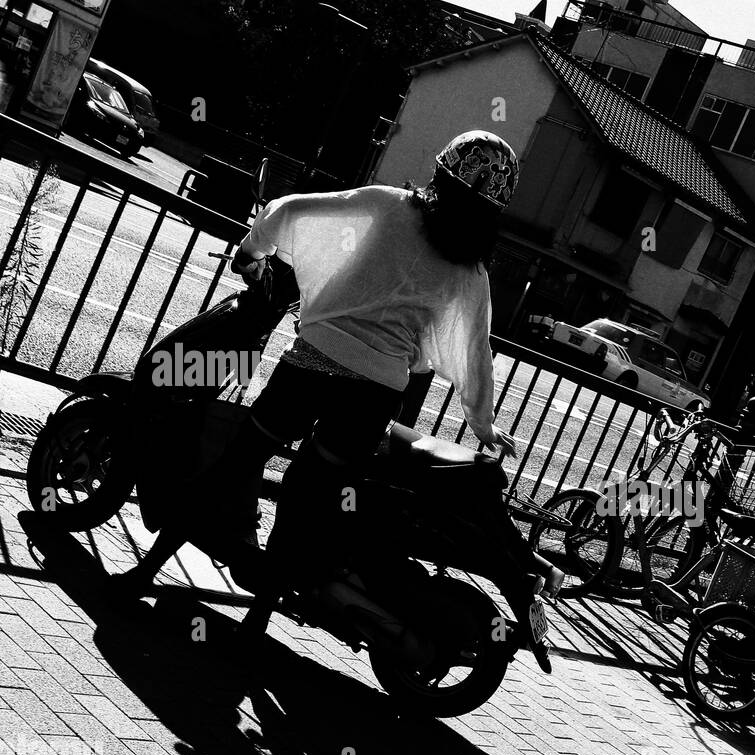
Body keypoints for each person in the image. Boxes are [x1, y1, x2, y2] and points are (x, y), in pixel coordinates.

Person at [187, 130, 530, 642]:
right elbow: (475, 354)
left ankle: (163, 563)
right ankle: (256, 621)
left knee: (243, 455)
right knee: (305, 498)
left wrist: (252, 252)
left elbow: (292, 211)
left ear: (440, 174)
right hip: (375, 392)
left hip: (313, 361)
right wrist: (481, 422)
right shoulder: (471, 273)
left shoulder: (384, 206)